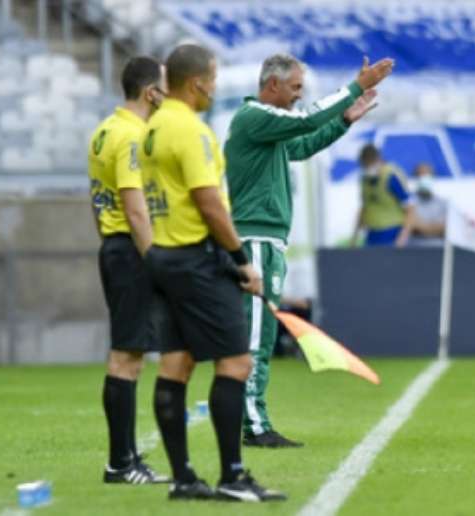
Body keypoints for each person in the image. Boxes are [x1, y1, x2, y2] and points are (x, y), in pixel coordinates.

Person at [224, 53, 393, 448]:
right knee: (255, 336)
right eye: (296, 87)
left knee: (261, 336)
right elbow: (305, 122)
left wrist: (346, 119)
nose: (299, 95)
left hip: (266, 241)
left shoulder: (267, 131)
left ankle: (254, 419)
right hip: (256, 241)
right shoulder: (254, 118)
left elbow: (304, 143)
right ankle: (254, 424)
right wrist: (355, 84)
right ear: (272, 86)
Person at [140, 44, 285, 501]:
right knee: (236, 362)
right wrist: (241, 260)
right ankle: (233, 476)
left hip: (163, 253)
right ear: (199, 82)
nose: (216, 87)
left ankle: (184, 478)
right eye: (214, 78)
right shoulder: (189, 129)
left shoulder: (154, 127)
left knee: (176, 364)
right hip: (197, 256)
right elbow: (208, 201)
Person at [88, 56, 168, 484]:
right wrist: (155, 259)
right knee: (126, 357)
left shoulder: (104, 130)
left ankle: (127, 459)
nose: (170, 95)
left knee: (129, 355)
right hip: (132, 252)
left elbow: (97, 198)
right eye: (166, 86)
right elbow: (136, 209)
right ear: (150, 92)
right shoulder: (134, 136)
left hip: (114, 246)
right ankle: (120, 463)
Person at [352, 143, 415, 247]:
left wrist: (403, 237)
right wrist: (354, 237)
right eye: (365, 165)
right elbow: (364, 207)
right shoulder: (364, 179)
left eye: (370, 164)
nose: (368, 168)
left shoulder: (392, 176)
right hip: (372, 233)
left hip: (392, 233)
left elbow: (410, 209)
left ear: (378, 160)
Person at [411, 162, 447, 245]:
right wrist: (434, 228)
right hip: (414, 249)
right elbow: (411, 225)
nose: (424, 179)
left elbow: (447, 228)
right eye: (421, 176)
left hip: (438, 249)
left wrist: (421, 227)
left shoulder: (443, 203)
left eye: (428, 176)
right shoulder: (409, 203)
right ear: (416, 178)